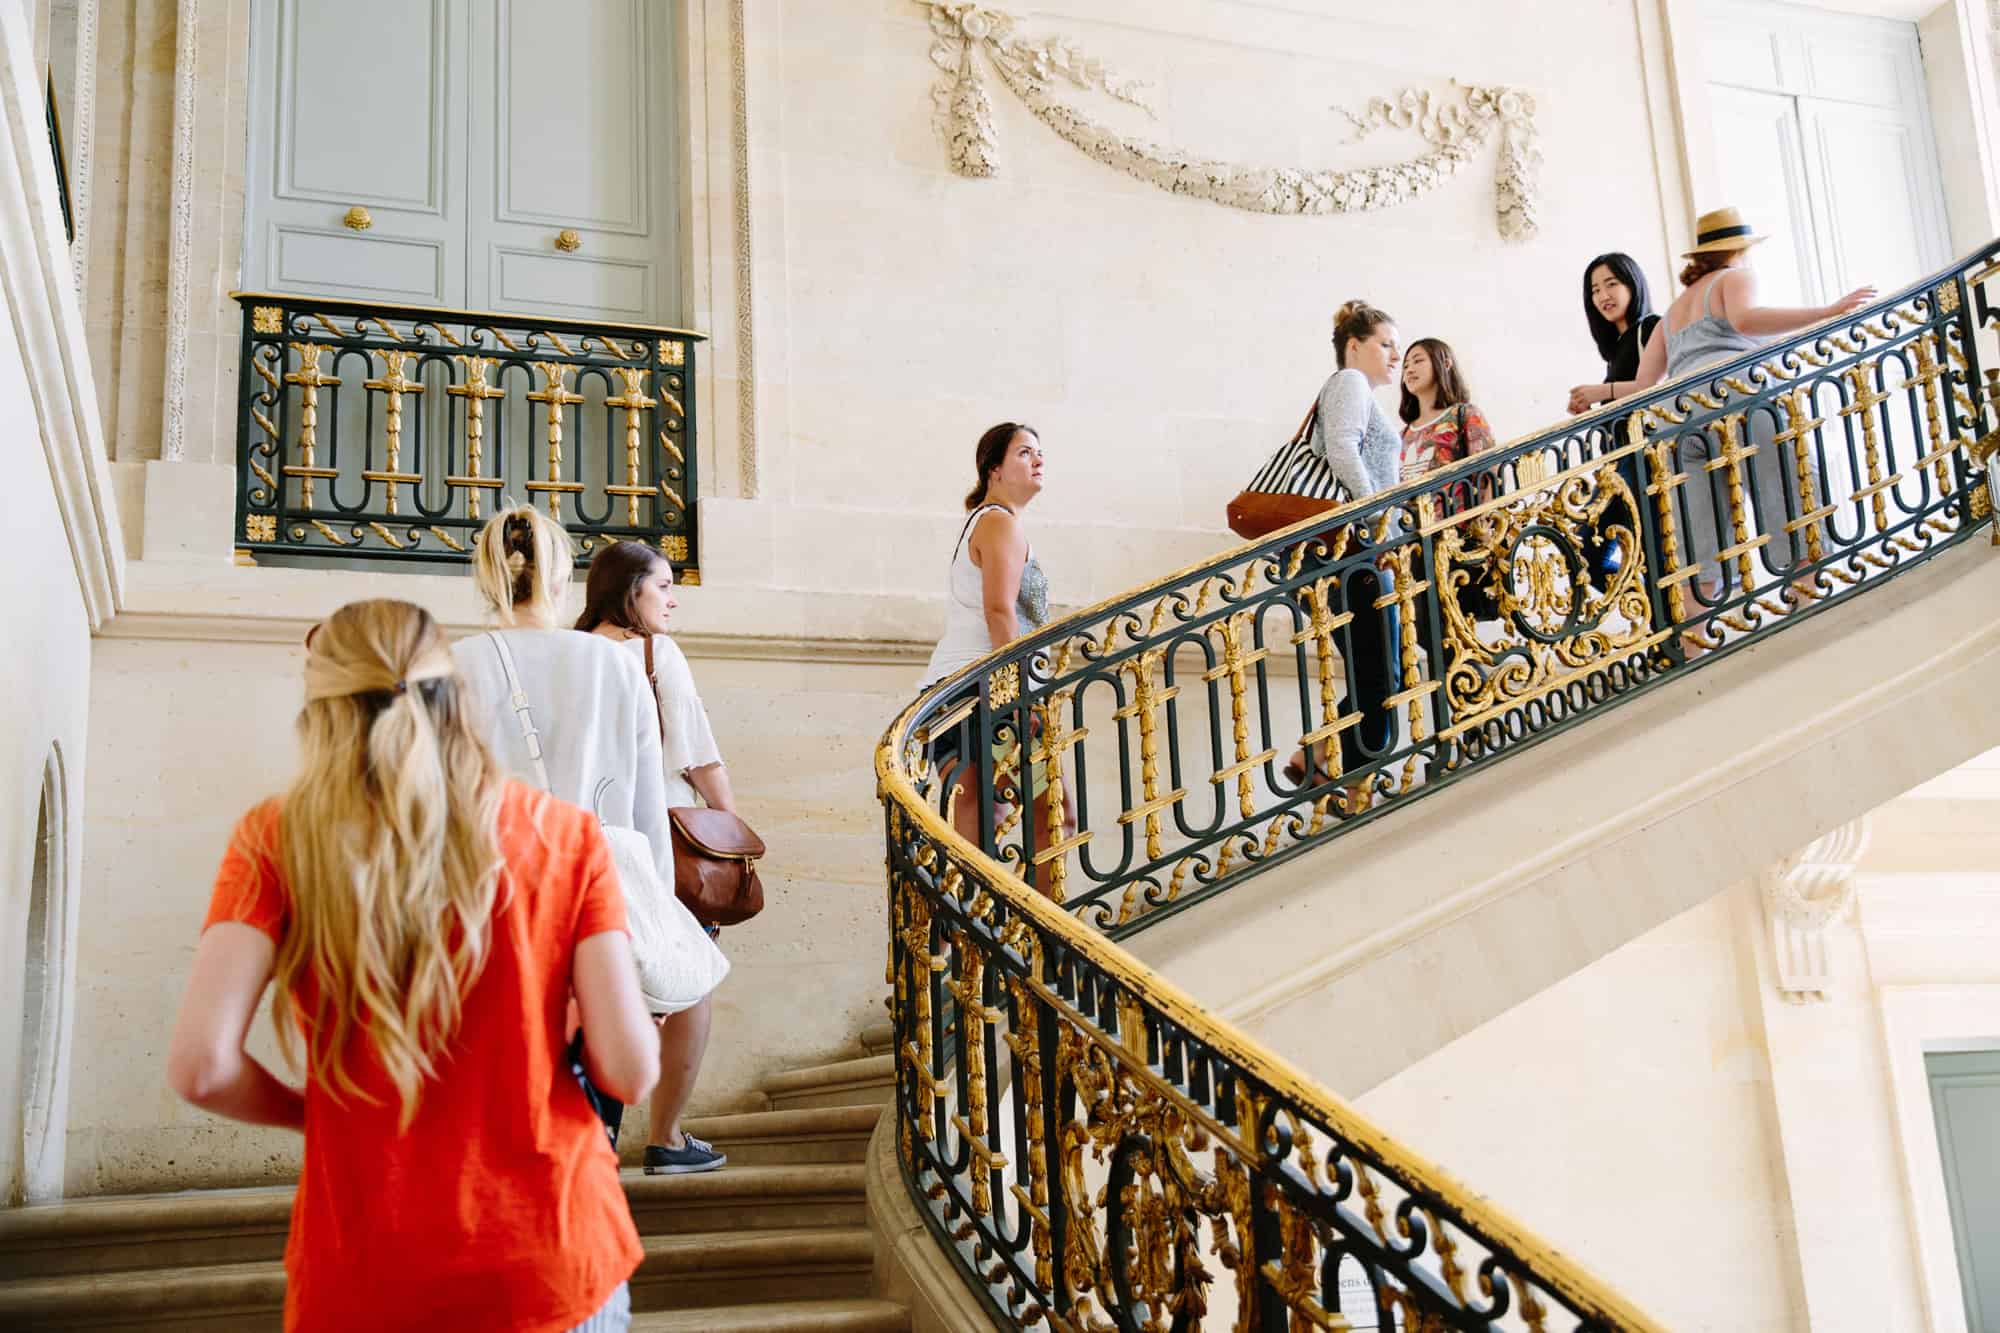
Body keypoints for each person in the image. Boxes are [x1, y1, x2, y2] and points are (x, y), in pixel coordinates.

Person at [167, 598, 658, 1331]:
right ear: (455, 695)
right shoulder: (563, 834)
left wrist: (314, 1113)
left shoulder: (274, 837)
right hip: (551, 1257)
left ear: (321, 708)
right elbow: (630, 1068)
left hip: (363, 1277)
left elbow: (201, 1066)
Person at [454, 505, 726, 1176]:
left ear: (488, 575)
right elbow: (641, 812)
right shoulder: (614, 665)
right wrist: (656, 932)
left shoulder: (454, 663)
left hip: (494, 897)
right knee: (592, 1103)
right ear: (559, 573)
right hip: (594, 900)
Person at [1618, 208, 1875, 623]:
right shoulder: (1734, 277)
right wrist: (1825, 312)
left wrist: (1599, 393)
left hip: (1678, 419)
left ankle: (1695, 641)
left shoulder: (1672, 312)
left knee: (1698, 531)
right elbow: (1745, 320)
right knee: (1788, 494)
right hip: (1734, 397)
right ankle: (1809, 605)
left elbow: (1645, 384)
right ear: (1738, 249)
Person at [574, 539, 738, 1167]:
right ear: (629, 592)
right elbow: (698, 756)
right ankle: (666, 1136)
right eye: (663, 586)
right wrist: (733, 829)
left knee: (599, 990)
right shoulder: (653, 652)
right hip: (660, 840)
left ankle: (590, 1139)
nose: (673, 599)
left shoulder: (571, 654)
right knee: (686, 979)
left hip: (584, 843)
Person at [917, 423, 1069, 865]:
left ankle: (966, 930)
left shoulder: (987, 523)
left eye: (1040, 452)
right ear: (994, 470)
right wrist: (1022, 696)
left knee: (985, 816)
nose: (1038, 460)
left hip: (965, 690)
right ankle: (1032, 932)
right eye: (1025, 453)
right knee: (1050, 816)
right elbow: (999, 612)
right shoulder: (999, 523)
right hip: (985, 692)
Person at [1283, 300, 1403, 803]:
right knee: (1381, 665)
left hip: (1349, 549)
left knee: (1374, 663)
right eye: (1386, 344)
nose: (1395, 354)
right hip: (1350, 547)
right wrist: (1376, 516)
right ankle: (1351, 775)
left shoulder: (1362, 392)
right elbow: (1342, 449)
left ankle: (1319, 757)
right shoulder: (1350, 383)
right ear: (1354, 346)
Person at [1566, 253, 1664, 581]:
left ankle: (1660, 607)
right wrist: (1591, 404)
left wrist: (1599, 393)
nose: (1603, 296)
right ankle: (1639, 592)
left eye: (1611, 284)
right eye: (1595, 290)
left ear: (1632, 284)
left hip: (1643, 457)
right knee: (1585, 554)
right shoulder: (1616, 350)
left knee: (1653, 546)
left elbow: (1650, 386)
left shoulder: (1649, 327)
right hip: (1619, 463)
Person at [1397, 337, 1500, 627]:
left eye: (1418, 360)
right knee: (1422, 625)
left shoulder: (1463, 414)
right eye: (1405, 365)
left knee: (1452, 626)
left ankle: (1472, 674)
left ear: (1444, 364)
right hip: (1416, 541)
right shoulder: (1405, 432)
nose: (1409, 370)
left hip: (1456, 537)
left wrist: (1483, 524)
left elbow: (1488, 471)